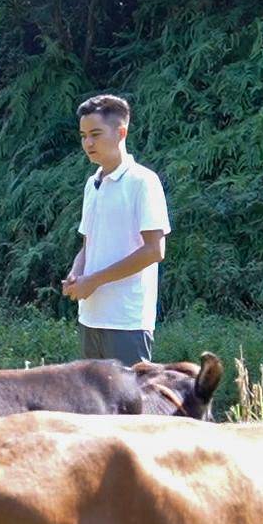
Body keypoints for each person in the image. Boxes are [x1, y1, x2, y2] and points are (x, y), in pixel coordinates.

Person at [61, 94, 169, 366]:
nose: (88, 143)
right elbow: (88, 245)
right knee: (92, 407)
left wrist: (94, 280)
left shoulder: (143, 182)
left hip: (126, 321)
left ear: (121, 132)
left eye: (95, 134)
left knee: (128, 408)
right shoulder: (92, 184)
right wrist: (76, 274)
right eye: (83, 135)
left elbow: (155, 250)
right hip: (90, 317)